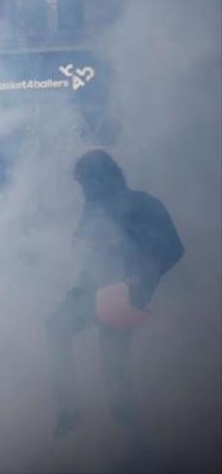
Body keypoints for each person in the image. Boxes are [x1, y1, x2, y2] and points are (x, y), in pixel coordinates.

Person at [47, 149, 184, 438]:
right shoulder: (93, 206)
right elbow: (86, 243)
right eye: (82, 185)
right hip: (90, 288)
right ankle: (69, 411)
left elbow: (173, 248)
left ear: (107, 177)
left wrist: (140, 279)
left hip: (125, 294)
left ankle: (133, 436)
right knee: (55, 326)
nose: (85, 190)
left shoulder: (144, 204)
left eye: (89, 183)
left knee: (113, 369)